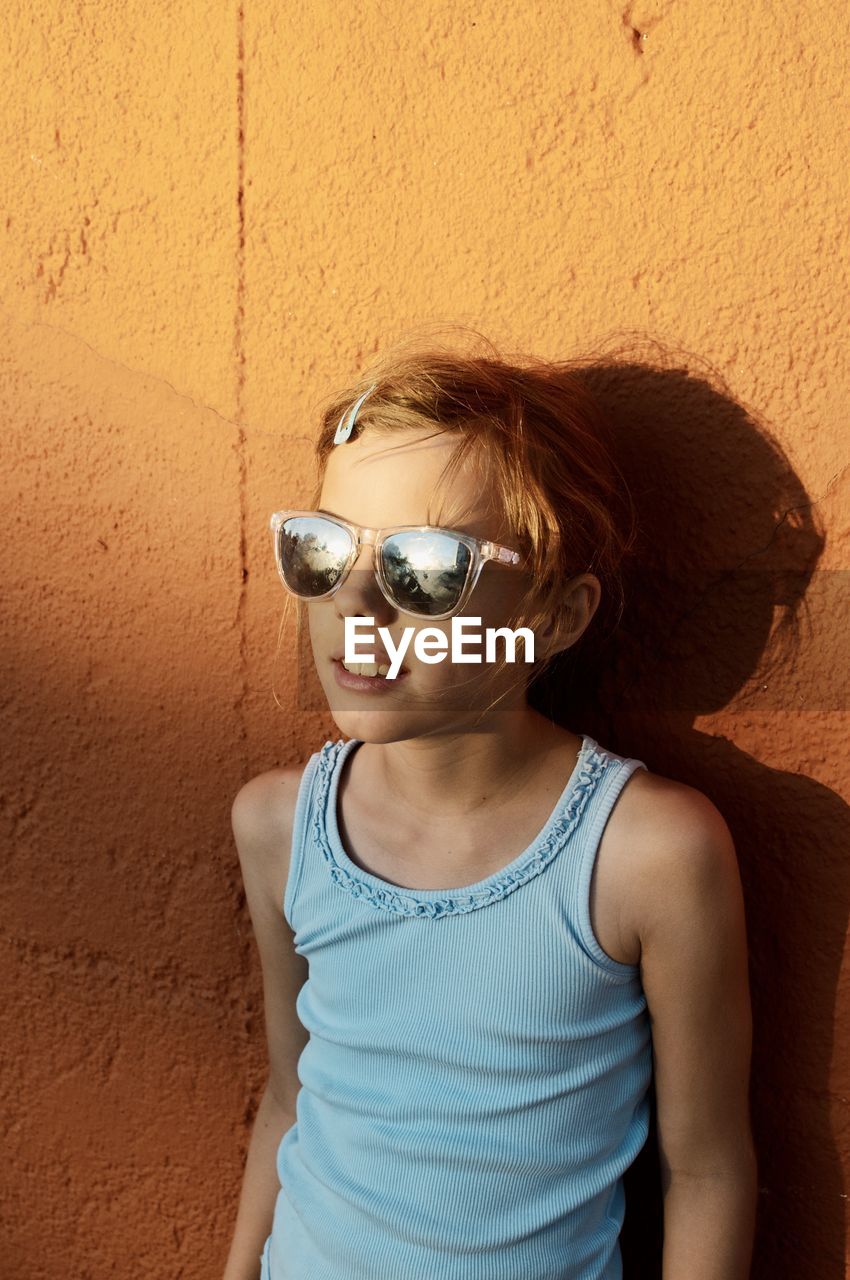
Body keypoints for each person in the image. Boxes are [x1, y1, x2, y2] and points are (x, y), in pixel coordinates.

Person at [222, 338, 758, 1280]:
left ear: (555, 614)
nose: (356, 605)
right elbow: (288, 1097)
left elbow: (708, 1169)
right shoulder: (279, 828)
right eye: (322, 550)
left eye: (426, 570)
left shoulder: (646, 855)